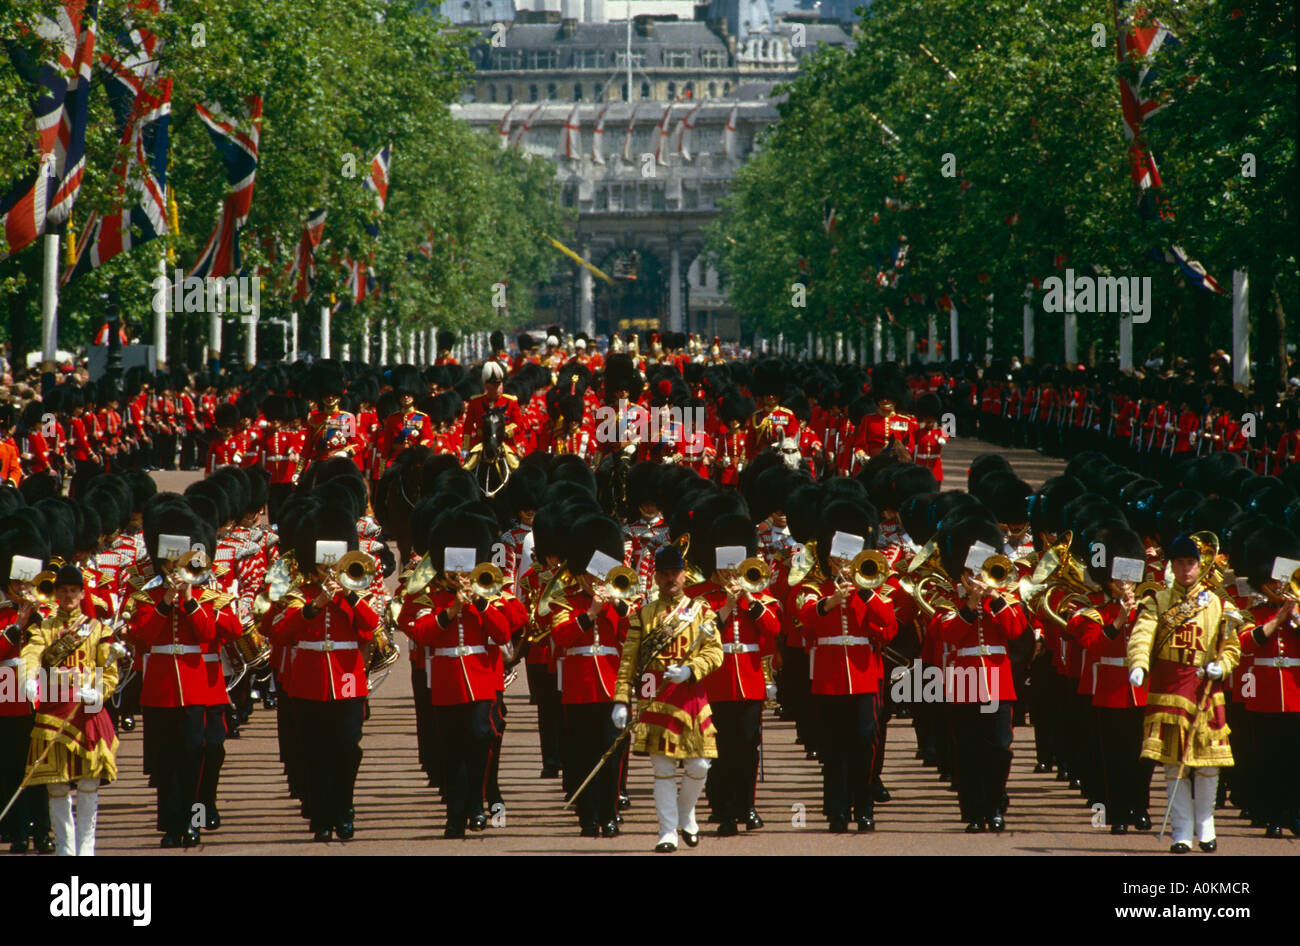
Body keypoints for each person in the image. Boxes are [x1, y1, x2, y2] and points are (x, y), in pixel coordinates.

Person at [1126, 534, 1289, 853]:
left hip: (1204, 687)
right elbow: (1143, 635)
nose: (1186, 569)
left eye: (1191, 563)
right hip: (1170, 688)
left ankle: (1206, 825)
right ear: (1172, 566)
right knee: (1175, 765)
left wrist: (1222, 666)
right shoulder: (1157, 601)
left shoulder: (1217, 604)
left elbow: (1231, 646)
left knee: (1207, 764)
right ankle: (1182, 832)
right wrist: (1139, 664)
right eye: (1180, 563)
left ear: (1199, 566)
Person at [269, 501, 378, 842]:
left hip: (347, 678)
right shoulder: (299, 594)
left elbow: (370, 627)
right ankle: (320, 816)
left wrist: (347, 597)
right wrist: (315, 605)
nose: (328, 572)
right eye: (322, 566)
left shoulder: (357, 594)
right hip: (308, 680)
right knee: (313, 752)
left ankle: (344, 809)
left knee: (347, 747)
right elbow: (277, 631)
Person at [612, 545, 723, 852]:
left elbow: (715, 652)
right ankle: (667, 831)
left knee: (699, 765)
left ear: (684, 575)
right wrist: (621, 699)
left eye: (675, 573)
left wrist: (690, 669)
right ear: (656, 577)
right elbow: (629, 661)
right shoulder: (643, 615)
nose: (670, 579)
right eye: (664, 574)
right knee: (662, 769)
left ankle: (686, 813)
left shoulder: (701, 611)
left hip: (690, 697)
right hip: (655, 698)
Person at [19, 565, 120, 856]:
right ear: (57, 594)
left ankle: (86, 850)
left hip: (85, 712)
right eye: (63, 591)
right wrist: (27, 679)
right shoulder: (44, 628)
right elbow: (31, 654)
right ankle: (66, 850)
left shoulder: (96, 628)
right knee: (57, 786)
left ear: (81, 593)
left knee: (89, 785)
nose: (68, 596)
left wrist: (99, 692)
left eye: (73, 591)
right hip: (53, 714)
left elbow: (108, 669)